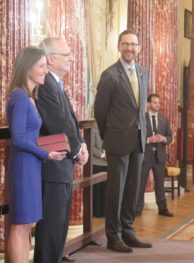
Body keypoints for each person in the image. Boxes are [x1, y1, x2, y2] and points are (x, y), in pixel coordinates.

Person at [6, 46, 66, 263]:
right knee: (21, 225)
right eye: (41, 66)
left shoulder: (29, 97)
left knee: (25, 225)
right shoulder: (19, 97)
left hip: (31, 166)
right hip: (23, 167)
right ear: (27, 68)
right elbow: (19, 138)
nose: (45, 71)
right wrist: (46, 154)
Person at [94, 29, 151, 253]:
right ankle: (113, 236)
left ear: (139, 48)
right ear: (119, 47)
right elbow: (100, 111)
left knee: (133, 189)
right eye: (125, 44)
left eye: (133, 44)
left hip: (138, 139)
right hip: (117, 141)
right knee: (116, 190)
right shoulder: (110, 75)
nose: (129, 48)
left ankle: (128, 231)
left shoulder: (144, 72)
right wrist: (108, 137)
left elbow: (140, 109)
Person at [34, 37, 89, 263]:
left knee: (59, 225)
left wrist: (82, 144)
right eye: (66, 55)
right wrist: (77, 150)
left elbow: (70, 121)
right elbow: (58, 122)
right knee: (51, 228)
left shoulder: (55, 82)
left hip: (62, 164)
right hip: (53, 165)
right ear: (50, 58)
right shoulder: (46, 82)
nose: (70, 59)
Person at [136, 93, 174, 217]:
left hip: (160, 157)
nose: (157, 105)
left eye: (158, 102)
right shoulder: (142, 118)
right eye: (154, 102)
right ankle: (137, 209)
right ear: (148, 104)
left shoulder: (164, 119)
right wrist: (148, 140)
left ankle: (163, 209)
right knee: (140, 184)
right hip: (145, 157)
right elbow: (136, 137)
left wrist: (163, 139)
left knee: (160, 184)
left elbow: (170, 137)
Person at [92, 126, 107, 217]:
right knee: (97, 190)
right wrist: (102, 155)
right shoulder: (94, 128)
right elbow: (91, 146)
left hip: (108, 163)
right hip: (97, 163)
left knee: (106, 190)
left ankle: (105, 212)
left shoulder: (110, 127)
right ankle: (97, 212)